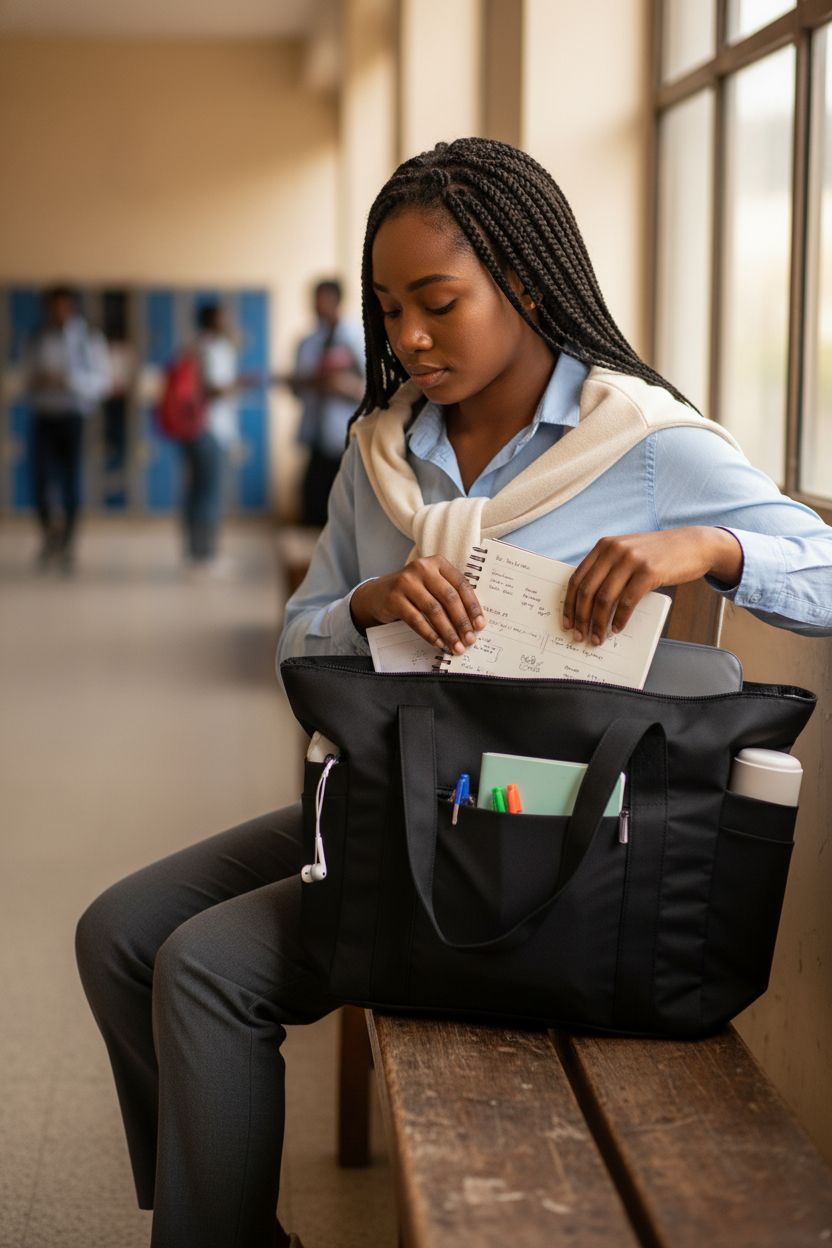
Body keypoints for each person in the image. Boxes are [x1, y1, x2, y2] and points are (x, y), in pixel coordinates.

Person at [75, 138, 832, 1248]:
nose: (409, 339)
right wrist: (368, 602)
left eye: (438, 302)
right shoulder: (379, 454)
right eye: (389, 311)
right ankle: (215, 1212)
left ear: (524, 282)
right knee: (117, 932)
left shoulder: (641, 444)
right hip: (397, 795)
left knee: (199, 968)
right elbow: (300, 644)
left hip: (548, 851)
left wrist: (706, 546)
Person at [24, 285, 111, 571]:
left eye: (63, 306)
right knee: (39, 480)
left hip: (73, 416)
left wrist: (69, 380)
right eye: (52, 307)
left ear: (72, 307)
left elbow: (101, 383)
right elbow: (24, 377)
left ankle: (68, 542)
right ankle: (49, 534)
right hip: (44, 415)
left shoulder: (87, 339)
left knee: (70, 481)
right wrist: (38, 381)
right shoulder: (37, 338)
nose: (57, 313)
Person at [291, 278, 364, 526]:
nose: (317, 305)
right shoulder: (308, 342)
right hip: (316, 436)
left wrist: (345, 387)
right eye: (314, 299)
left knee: (345, 508)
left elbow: (376, 390)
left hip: (347, 438)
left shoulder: (357, 337)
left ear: (337, 301)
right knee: (312, 503)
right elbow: (299, 389)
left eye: (323, 299)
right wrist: (303, 383)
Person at [182, 302, 246, 573]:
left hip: (197, 429)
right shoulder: (212, 348)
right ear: (214, 320)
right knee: (209, 493)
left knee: (198, 491)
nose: (230, 320)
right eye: (225, 316)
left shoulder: (198, 345)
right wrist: (240, 384)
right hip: (210, 429)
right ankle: (206, 556)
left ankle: (195, 552)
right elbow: (213, 390)